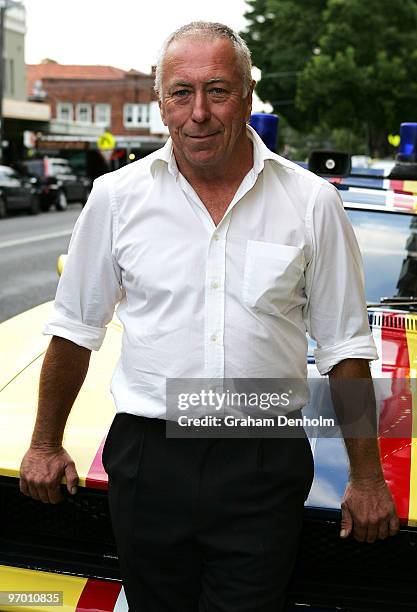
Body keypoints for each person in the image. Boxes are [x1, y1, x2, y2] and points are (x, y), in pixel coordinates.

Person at [19, 21, 399, 612]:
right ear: (161, 102)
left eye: (218, 90)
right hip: (149, 457)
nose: (199, 112)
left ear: (247, 96)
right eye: (181, 93)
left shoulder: (311, 202)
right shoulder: (117, 198)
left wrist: (367, 476)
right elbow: (75, 329)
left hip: (263, 455)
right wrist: (45, 443)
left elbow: (345, 348)